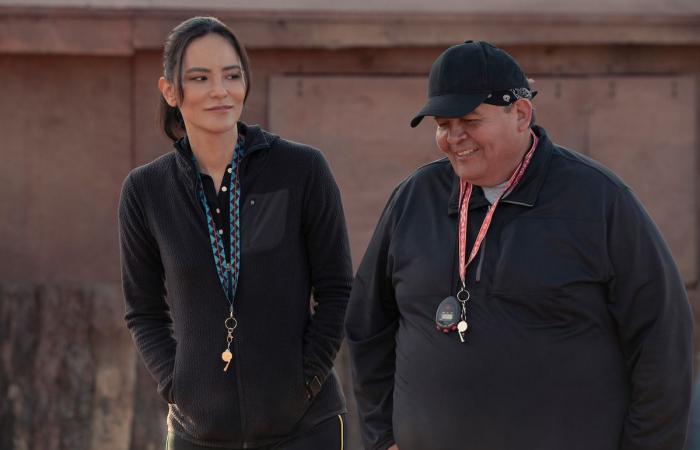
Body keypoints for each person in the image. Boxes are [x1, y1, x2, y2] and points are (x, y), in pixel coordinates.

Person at [345, 40, 693, 450]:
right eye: (442, 123)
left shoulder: (599, 200)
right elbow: (367, 328)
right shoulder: (413, 198)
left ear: (521, 115)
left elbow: (661, 339)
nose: (453, 137)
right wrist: (382, 436)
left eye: (469, 121)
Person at [118, 16, 351, 450]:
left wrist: (308, 379)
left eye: (231, 74)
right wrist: (178, 386)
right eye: (200, 77)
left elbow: (337, 288)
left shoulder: (301, 170)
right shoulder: (146, 190)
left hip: (304, 429)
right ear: (170, 91)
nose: (220, 91)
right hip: (198, 434)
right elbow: (143, 310)